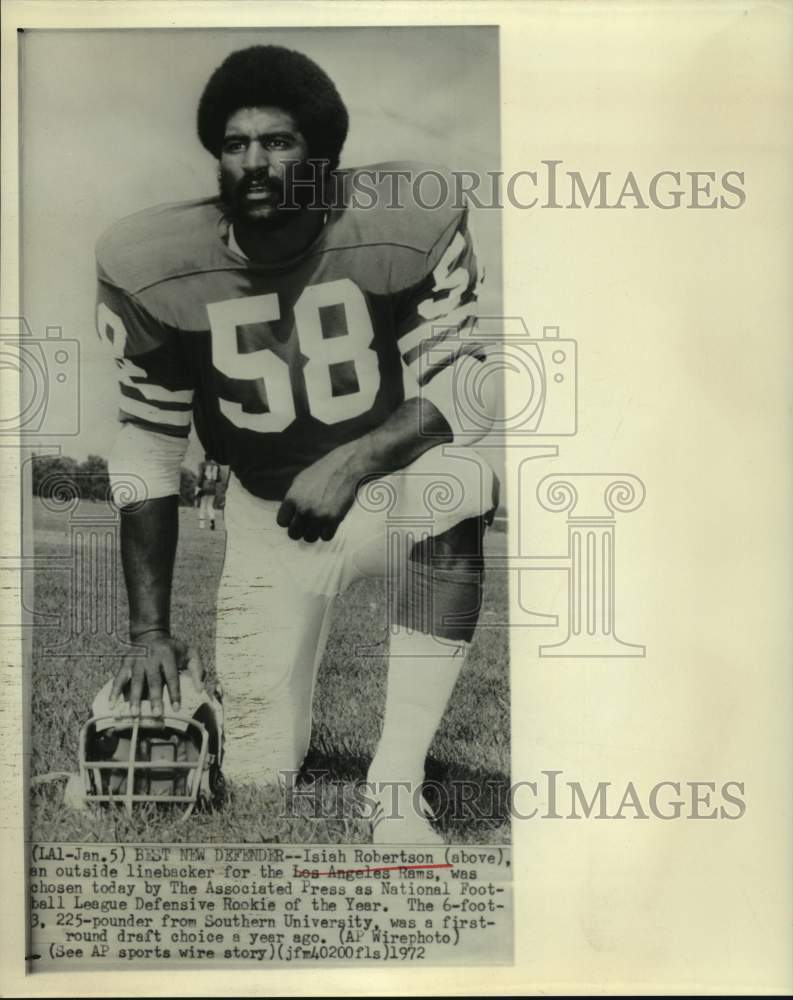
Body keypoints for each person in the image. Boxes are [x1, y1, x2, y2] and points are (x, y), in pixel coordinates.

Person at [97, 45, 499, 842]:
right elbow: (147, 446)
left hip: (390, 498)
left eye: (277, 142)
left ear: (321, 157)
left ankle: (393, 788)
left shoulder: (402, 219)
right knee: (257, 772)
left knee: (458, 477)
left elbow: (469, 389)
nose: (254, 161)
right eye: (236, 143)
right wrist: (149, 632)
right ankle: (262, 729)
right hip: (267, 518)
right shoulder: (153, 263)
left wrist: (354, 462)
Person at [194, 455, 222, 529]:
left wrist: (198, 486)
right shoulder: (217, 465)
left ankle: (201, 525)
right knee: (210, 505)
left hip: (205, 486)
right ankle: (212, 519)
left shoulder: (202, 464)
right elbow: (219, 479)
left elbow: (200, 476)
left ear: (205, 457)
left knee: (202, 505)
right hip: (213, 487)